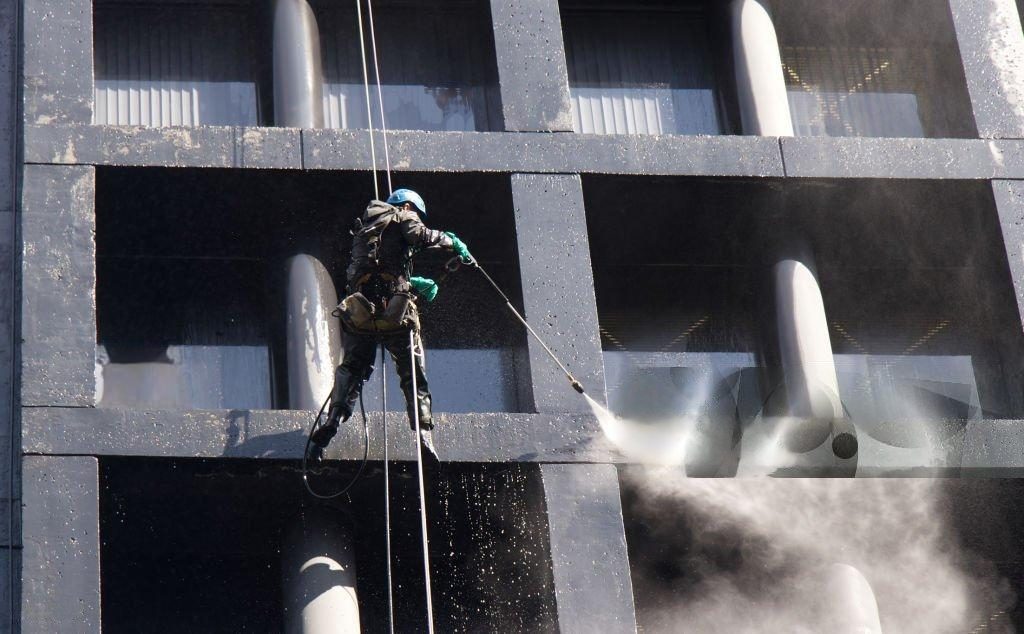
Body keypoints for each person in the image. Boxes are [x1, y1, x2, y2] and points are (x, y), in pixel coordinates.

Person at [306, 188, 472, 464]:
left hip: (361, 313)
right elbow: (420, 235)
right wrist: (451, 242)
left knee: (352, 370)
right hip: (395, 313)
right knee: (412, 372)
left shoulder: (366, 229)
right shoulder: (404, 215)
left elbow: (369, 271)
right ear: (407, 205)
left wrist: (412, 281)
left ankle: (332, 423)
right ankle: (423, 435)